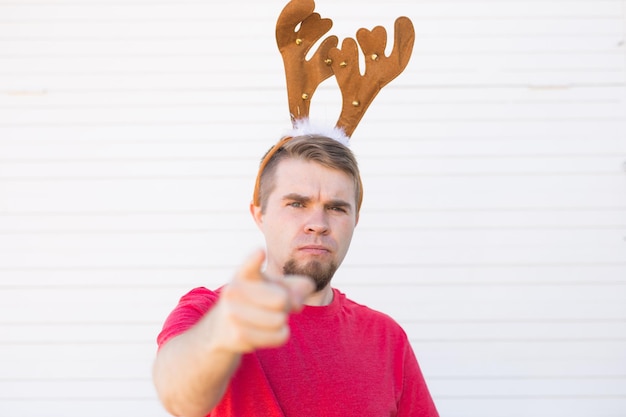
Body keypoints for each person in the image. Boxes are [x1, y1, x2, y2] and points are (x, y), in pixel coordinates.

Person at [152, 134, 440, 417]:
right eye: (297, 204)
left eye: (336, 208)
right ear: (259, 215)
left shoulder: (386, 338)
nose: (318, 224)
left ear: (355, 220)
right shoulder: (211, 312)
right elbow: (177, 394)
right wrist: (218, 336)